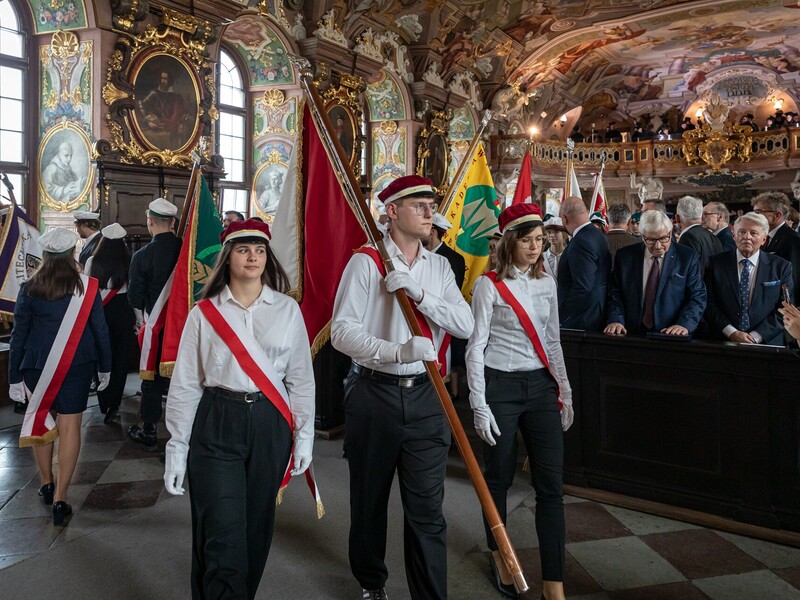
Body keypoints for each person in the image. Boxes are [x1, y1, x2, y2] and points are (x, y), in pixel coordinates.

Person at [331, 175, 474, 600]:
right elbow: (341, 332)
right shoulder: (366, 262)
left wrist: (420, 295)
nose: (430, 212)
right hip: (374, 393)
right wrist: (396, 351)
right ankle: (371, 582)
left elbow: (464, 324)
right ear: (392, 212)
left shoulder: (439, 267)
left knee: (427, 509)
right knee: (369, 501)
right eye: (419, 205)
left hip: (428, 396)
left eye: (431, 204)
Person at [163, 219, 314, 600]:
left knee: (255, 531)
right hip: (217, 420)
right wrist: (177, 447)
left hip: (269, 424)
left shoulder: (287, 310)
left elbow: (300, 378)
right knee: (221, 532)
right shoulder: (204, 313)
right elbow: (185, 384)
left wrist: (305, 436)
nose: (253, 257)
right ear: (228, 257)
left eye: (260, 250)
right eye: (244, 250)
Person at [466, 203, 572, 600]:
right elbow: (475, 347)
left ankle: (554, 583)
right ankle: (500, 555)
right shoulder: (488, 285)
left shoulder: (547, 283)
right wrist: (478, 402)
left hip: (541, 386)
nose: (535, 247)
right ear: (509, 242)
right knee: (498, 478)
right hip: (500, 386)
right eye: (527, 240)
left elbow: (552, 341)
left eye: (540, 240)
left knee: (550, 487)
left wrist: (565, 391)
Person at [8, 227, 111, 526]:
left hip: (36, 366)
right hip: (78, 365)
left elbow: (18, 336)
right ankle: (61, 497)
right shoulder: (88, 287)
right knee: (70, 426)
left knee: (42, 420)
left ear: (45, 254)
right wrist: (105, 366)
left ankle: (46, 482)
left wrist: (13, 376)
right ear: (72, 253)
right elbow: (100, 331)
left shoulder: (29, 288)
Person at [127, 198, 182, 451]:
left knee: (152, 380)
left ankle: (149, 430)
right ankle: (184, 434)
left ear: (149, 221)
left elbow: (135, 298)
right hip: (186, 328)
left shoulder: (141, 256)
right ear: (173, 222)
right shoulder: (187, 250)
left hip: (158, 328)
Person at [605, 210, 706, 337]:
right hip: (630, 332)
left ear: (670, 233)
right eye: (651, 240)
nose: (658, 246)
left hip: (671, 333)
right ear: (643, 236)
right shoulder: (625, 256)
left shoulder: (687, 257)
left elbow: (697, 296)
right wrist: (616, 319)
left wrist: (684, 324)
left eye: (663, 239)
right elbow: (615, 293)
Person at [705, 212, 793, 346]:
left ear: (764, 239)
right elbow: (709, 303)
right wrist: (731, 332)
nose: (747, 237)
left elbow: (786, 308)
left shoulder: (781, 267)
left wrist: (756, 336)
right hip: (724, 341)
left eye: (753, 233)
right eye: (742, 232)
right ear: (734, 236)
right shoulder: (715, 264)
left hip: (767, 344)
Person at [85, 223, 135, 424]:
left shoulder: (93, 261)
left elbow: (88, 290)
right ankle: (114, 403)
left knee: (101, 355)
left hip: (100, 311)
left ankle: (104, 401)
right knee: (121, 360)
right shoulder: (129, 260)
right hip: (123, 311)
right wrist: (139, 320)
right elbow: (133, 292)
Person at [557, 196, 611, 330]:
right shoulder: (597, 234)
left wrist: (561, 314)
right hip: (594, 312)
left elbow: (582, 286)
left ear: (564, 218)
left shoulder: (581, 241)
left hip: (581, 318)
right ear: (586, 212)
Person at [752, 191, 800, 294]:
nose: (754, 216)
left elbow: (794, 278)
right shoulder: (764, 237)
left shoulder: (793, 240)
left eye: (759, 212)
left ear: (777, 215)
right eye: (754, 212)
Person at [138, 70, 190, 149]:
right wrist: (148, 122)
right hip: (155, 126)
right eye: (162, 78)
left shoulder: (176, 97)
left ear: (170, 81)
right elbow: (141, 106)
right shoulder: (154, 93)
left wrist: (176, 124)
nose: (163, 81)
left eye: (165, 79)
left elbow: (179, 113)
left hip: (170, 127)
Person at [676, 196, 723, 274]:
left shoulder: (687, 237)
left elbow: (685, 273)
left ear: (677, 218)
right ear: (701, 216)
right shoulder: (713, 237)